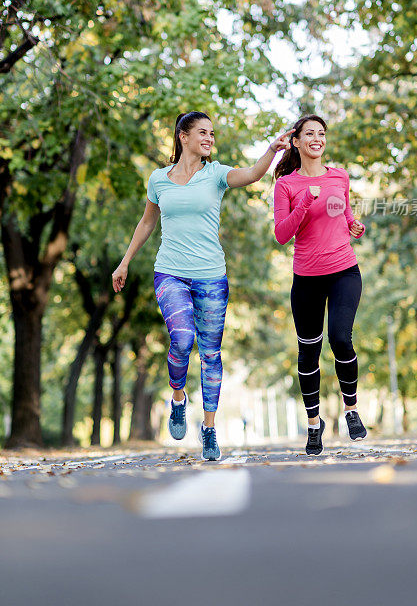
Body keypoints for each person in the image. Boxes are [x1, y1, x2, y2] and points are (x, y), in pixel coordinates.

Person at [112, 111, 292, 461]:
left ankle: (209, 430)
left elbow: (254, 174)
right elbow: (147, 222)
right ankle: (177, 398)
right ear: (183, 136)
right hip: (170, 272)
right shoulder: (159, 179)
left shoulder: (217, 174)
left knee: (210, 353)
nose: (210, 138)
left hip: (211, 274)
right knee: (181, 339)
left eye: (212, 133)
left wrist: (272, 151)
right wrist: (125, 262)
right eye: (203, 132)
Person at [273, 114, 367, 456]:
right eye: (309, 133)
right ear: (296, 142)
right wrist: (303, 203)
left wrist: (354, 224)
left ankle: (351, 410)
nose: (317, 138)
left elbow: (343, 214)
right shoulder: (286, 184)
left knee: (341, 338)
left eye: (321, 133)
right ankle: (314, 425)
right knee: (309, 351)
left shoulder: (339, 176)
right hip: (307, 278)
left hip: (344, 269)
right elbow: (282, 234)